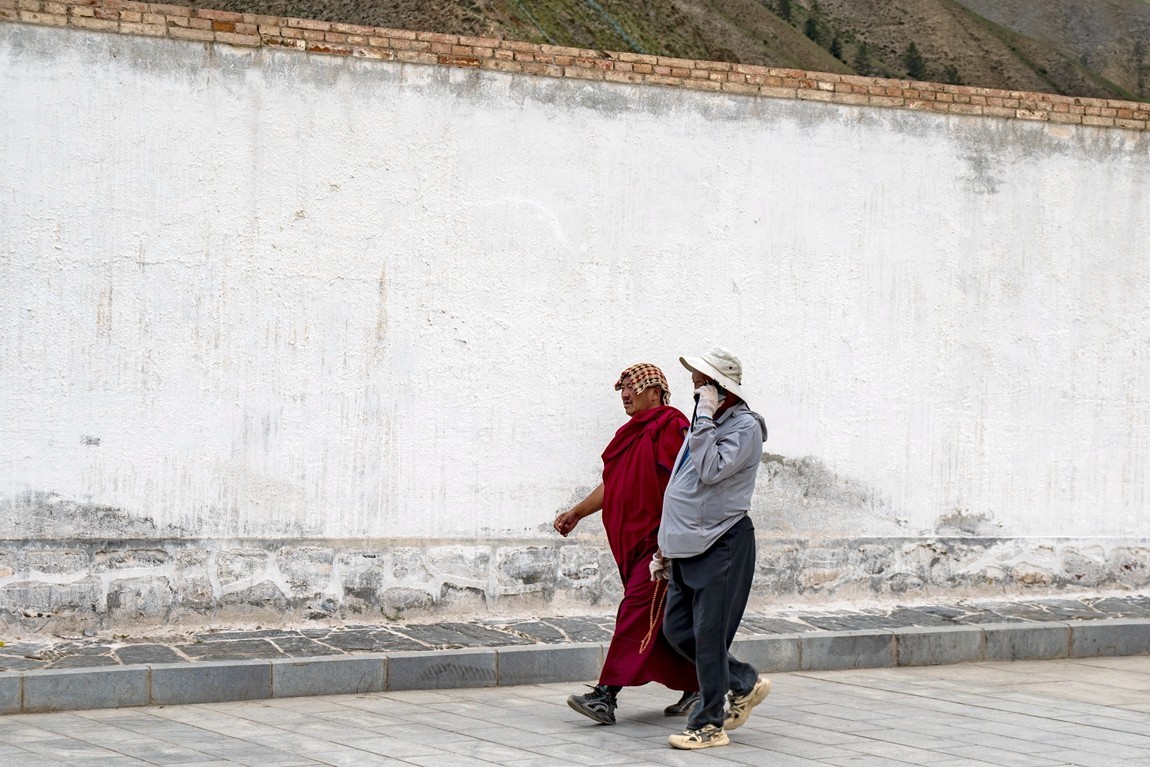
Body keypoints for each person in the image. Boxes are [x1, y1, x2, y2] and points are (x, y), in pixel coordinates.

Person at [554, 363, 700, 725]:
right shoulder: (631, 434)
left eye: (633, 387)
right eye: (622, 388)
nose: (625, 394)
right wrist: (578, 512)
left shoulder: (671, 426)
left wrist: (673, 539)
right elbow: (614, 484)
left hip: (660, 546)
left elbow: (686, 485)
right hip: (633, 546)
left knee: (636, 612)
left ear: (656, 392)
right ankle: (699, 687)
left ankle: (606, 696)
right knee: (660, 621)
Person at [653, 346, 771, 750]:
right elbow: (680, 489)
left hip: (721, 543)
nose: (696, 392)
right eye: (695, 385)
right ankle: (743, 682)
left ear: (723, 390)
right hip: (687, 545)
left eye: (702, 385)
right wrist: (664, 547)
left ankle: (709, 725)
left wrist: (702, 419)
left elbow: (710, 471)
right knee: (678, 630)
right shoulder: (705, 425)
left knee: (707, 637)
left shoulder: (743, 428)